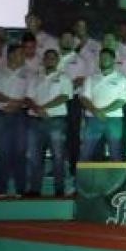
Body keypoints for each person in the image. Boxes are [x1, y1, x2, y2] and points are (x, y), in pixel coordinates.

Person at [25, 50, 73, 197]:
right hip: (34, 121)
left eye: (53, 58)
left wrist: (43, 107)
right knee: (34, 157)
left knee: (58, 157)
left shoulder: (64, 77)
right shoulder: (35, 78)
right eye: (47, 58)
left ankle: (59, 190)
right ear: (43, 60)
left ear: (57, 61)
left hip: (56, 121)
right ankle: (35, 189)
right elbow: (28, 98)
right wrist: (37, 109)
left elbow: (64, 96)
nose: (50, 60)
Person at [80, 48, 126, 161]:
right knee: (85, 152)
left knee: (116, 153)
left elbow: (121, 101)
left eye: (107, 58)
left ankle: (118, 173)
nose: (103, 60)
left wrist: (102, 111)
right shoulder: (91, 78)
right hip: (93, 118)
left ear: (113, 60)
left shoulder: (121, 79)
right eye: (101, 58)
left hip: (114, 119)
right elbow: (84, 98)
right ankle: (82, 173)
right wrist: (95, 111)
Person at [0, 45, 30, 197]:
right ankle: (1, 188)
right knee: (2, 152)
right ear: (11, 55)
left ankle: (21, 189)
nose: (24, 57)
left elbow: (30, 96)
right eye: (21, 54)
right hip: (0, 114)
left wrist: (17, 104)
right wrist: (11, 101)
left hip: (21, 115)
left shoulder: (29, 74)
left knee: (20, 152)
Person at [58, 32, 89, 174]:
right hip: (52, 102)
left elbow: (80, 80)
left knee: (73, 134)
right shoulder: (53, 57)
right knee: (56, 135)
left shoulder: (79, 60)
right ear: (59, 40)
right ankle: (57, 166)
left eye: (70, 39)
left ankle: (73, 167)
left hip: (72, 101)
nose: (68, 41)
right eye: (65, 38)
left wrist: (61, 89)